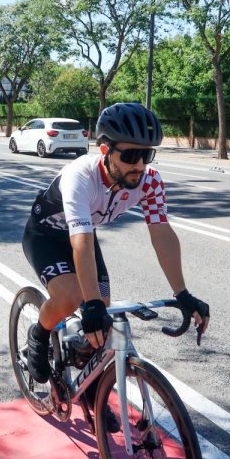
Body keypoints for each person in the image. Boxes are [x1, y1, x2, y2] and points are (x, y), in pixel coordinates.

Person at [20, 102, 210, 412]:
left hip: (82, 234)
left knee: (101, 317)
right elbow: (79, 241)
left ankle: (90, 380)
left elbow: (161, 233)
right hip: (46, 235)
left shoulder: (149, 182)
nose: (140, 165)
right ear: (106, 150)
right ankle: (38, 335)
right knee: (73, 298)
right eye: (131, 155)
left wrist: (183, 293)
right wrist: (89, 302)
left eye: (146, 155)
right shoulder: (80, 175)